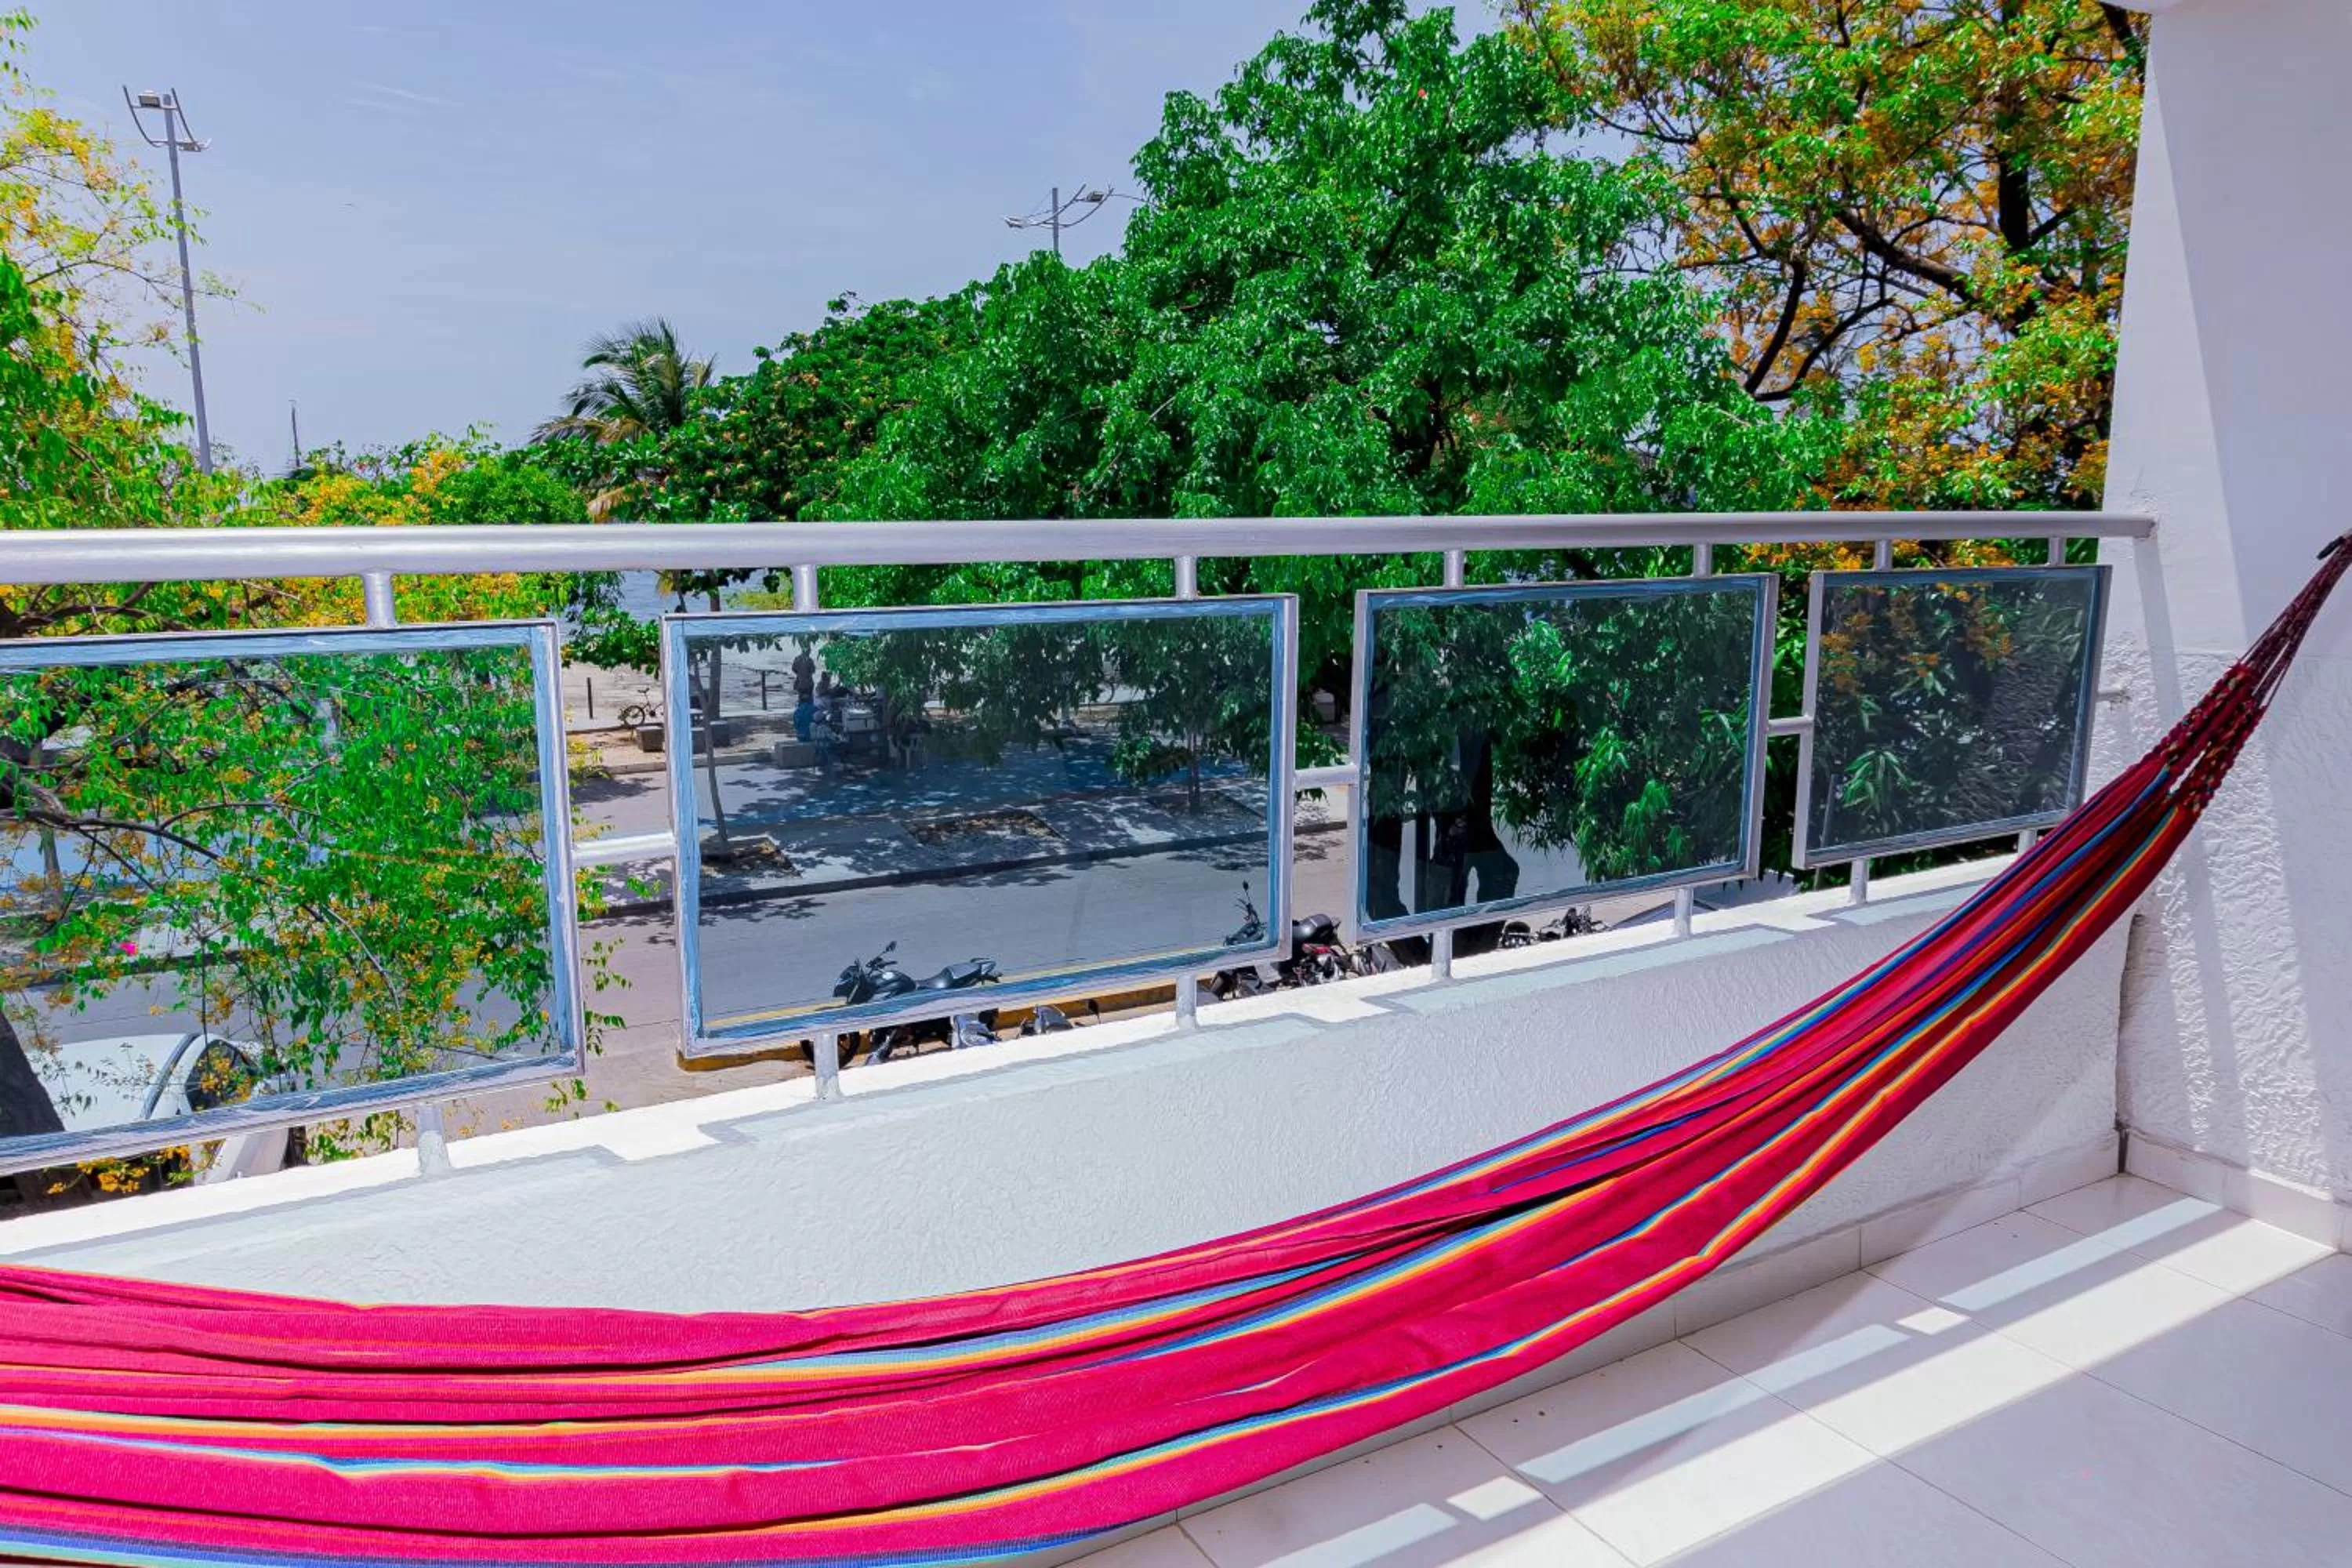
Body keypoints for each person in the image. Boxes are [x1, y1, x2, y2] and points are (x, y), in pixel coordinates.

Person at [791, 648, 817, 742]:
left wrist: (800, 673)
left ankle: (801, 719)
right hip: (808, 683)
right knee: (809, 703)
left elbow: (794, 669)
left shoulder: (797, 659)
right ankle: (809, 721)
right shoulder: (809, 660)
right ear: (808, 651)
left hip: (800, 683)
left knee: (801, 701)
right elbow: (813, 670)